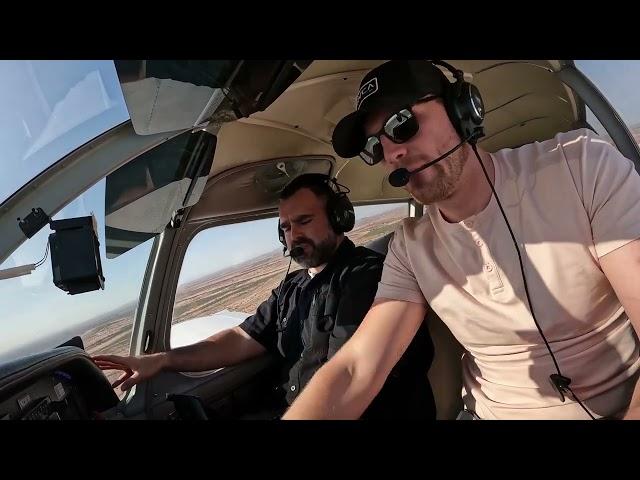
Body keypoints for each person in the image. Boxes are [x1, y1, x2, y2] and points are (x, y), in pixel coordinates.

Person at [282, 60, 640, 420]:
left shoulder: (581, 166)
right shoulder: (410, 248)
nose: (392, 154)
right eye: (376, 147)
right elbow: (356, 368)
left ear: (462, 109)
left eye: (402, 125)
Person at [93, 173, 435, 419]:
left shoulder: (368, 277)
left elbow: (350, 378)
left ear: (338, 218)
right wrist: (163, 360)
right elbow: (241, 338)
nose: (293, 235)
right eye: (285, 227)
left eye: (303, 221)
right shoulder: (291, 288)